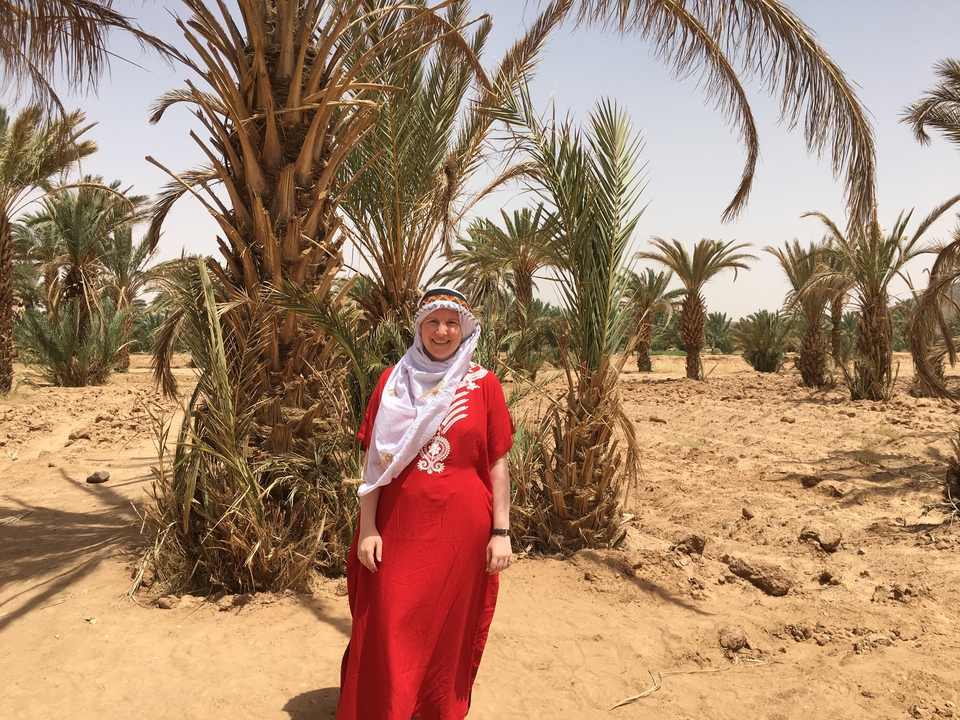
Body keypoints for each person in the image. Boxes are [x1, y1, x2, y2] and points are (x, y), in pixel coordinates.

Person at [336, 287, 515, 720]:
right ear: (419, 328)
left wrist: (501, 532)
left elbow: (497, 465)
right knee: (389, 620)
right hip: (398, 528)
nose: (442, 331)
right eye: (432, 322)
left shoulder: (484, 385)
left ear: (465, 329)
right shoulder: (392, 382)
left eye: (451, 322)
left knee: (448, 628)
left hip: (462, 536)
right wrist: (368, 528)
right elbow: (374, 461)